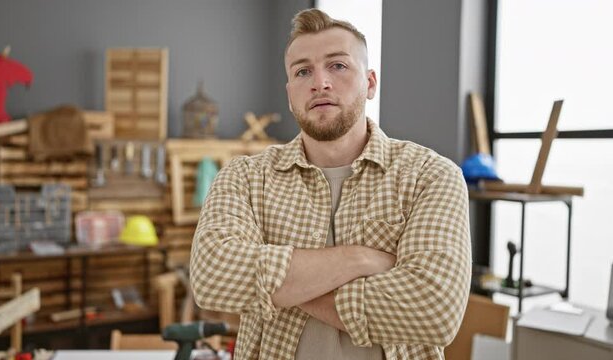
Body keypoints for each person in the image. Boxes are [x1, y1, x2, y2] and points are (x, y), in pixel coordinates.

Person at [190, 8, 471, 360]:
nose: (319, 82)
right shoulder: (244, 177)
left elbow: (434, 312)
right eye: (303, 71)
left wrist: (281, 289)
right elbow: (212, 279)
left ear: (369, 83)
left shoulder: (431, 176)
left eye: (338, 66)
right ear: (290, 93)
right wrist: (360, 259)